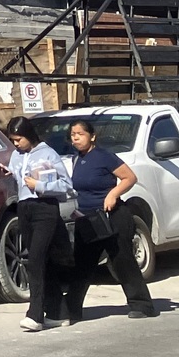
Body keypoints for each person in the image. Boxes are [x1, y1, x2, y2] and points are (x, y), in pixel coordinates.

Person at [60, 117, 159, 321]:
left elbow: (129, 178)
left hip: (112, 216)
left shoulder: (104, 156)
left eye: (80, 134)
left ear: (92, 136)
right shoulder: (76, 159)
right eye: (73, 135)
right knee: (82, 264)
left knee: (122, 260)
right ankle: (71, 308)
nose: (76, 138)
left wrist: (112, 195)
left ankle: (142, 304)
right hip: (87, 219)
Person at [3, 117, 73, 331]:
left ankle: (35, 314)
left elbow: (66, 185)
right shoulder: (16, 155)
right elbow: (19, 176)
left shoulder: (48, 153)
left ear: (29, 135)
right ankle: (58, 312)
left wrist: (40, 185)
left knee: (34, 260)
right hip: (24, 209)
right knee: (42, 260)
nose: (16, 144)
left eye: (19, 139)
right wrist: (9, 172)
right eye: (13, 140)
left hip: (45, 207)